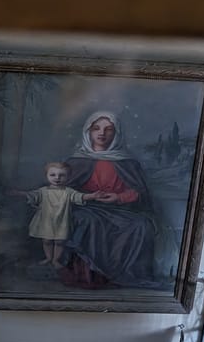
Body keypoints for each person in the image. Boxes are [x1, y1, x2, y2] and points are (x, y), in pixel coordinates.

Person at [61, 111, 162, 288]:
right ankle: (91, 276)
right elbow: (63, 191)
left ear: (116, 134)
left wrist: (119, 197)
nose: (101, 133)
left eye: (108, 129)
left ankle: (126, 274)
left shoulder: (128, 163)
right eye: (96, 128)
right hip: (86, 208)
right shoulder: (76, 161)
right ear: (88, 132)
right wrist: (87, 197)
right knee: (88, 221)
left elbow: (140, 193)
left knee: (141, 225)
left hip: (120, 210)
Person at [18, 162, 99, 268]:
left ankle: (55, 260)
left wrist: (92, 196)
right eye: (53, 175)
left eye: (62, 175)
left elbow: (80, 196)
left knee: (60, 241)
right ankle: (48, 258)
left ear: (68, 177)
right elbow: (32, 195)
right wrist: (19, 193)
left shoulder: (69, 192)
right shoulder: (43, 191)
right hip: (46, 220)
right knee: (46, 240)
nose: (57, 178)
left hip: (62, 220)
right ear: (46, 176)